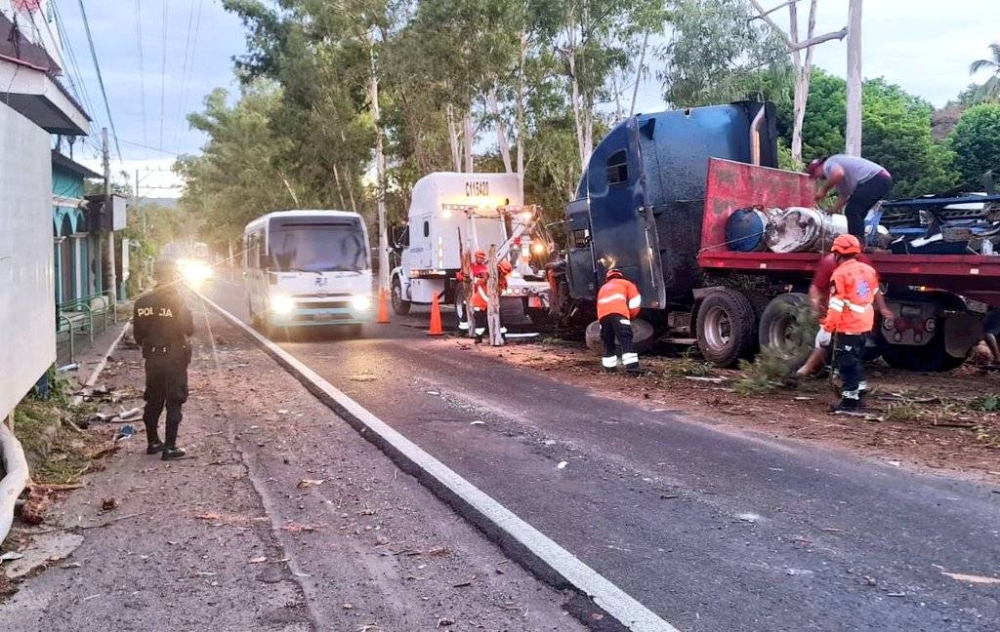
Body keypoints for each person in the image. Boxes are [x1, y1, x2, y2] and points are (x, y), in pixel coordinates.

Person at [133, 259, 194, 460]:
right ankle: (170, 446)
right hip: (174, 357)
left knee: (154, 399)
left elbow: (138, 335)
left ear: (155, 276)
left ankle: (152, 442)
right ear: (174, 276)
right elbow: (188, 329)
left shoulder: (141, 302)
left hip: (152, 358)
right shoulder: (177, 300)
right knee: (174, 399)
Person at [796, 252, 893, 378]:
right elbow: (873, 289)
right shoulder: (862, 266)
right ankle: (844, 377)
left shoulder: (839, 270)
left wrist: (826, 323)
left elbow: (835, 301)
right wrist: (883, 308)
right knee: (845, 348)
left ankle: (805, 372)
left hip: (847, 317)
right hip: (856, 319)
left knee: (828, 342)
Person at [816, 235, 879, 412]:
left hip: (849, 325)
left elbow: (836, 305)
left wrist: (827, 328)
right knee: (856, 359)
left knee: (846, 363)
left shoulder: (840, 274)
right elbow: (872, 293)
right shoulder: (868, 270)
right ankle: (859, 393)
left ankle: (850, 402)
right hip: (865, 323)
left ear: (837, 254)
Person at [807, 155, 892, 244]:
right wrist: (833, 209)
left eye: (815, 175)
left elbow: (838, 174)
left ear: (818, 167)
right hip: (882, 179)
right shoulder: (841, 178)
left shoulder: (829, 163)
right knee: (858, 213)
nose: (818, 178)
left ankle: (855, 243)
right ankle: (859, 243)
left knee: (852, 210)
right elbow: (844, 195)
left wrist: (823, 191)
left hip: (875, 178)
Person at [597, 268, 641, 374]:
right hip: (619, 315)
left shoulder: (603, 288)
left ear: (608, 277)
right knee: (626, 340)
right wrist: (631, 315)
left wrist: (601, 322)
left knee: (608, 342)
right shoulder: (626, 284)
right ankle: (632, 368)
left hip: (603, 318)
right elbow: (635, 301)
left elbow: (599, 305)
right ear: (620, 276)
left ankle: (610, 369)